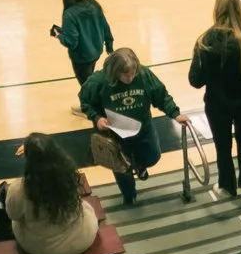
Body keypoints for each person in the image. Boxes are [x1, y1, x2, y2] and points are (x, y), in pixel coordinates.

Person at [80, 47, 186, 206]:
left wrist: (175, 114)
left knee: (153, 157)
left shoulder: (144, 75)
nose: (130, 78)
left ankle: (140, 165)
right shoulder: (99, 81)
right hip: (115, 133)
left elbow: (161, 96)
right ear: (115, 71)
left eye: (133, 73)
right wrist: (97, 118)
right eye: (125, 74)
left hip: (143, 128)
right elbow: (85, 101)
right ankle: (129, 196)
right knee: (122, 169)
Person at [186, 0, 241, 197]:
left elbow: (195, 81)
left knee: (222, 145)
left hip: (217, 104)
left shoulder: (205, 40)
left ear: (217, 10)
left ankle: (227, 186)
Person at [8, 132, 101, 254]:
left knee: (16, 222)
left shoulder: (19, 188)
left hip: (42, 250)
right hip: (82, 240)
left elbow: (13, 215)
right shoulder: (68, 173)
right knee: (83, 206)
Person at [54, 0, 114, 93]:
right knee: (90, 79)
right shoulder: (94, 4)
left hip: (81, 57)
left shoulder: (69, 14)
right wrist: (109, 46)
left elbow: (72, 42)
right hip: (96, 51)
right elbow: (105, 27)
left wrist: (58, 35)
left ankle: (90, 106)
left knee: (86, 85)